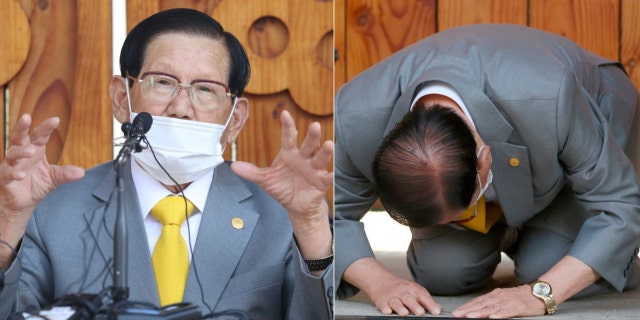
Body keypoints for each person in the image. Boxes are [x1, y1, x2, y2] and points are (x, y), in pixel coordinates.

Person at [0, 8, 334, 319]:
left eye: (205, 89)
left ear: (235, 119)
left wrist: (311, 225)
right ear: (121, 98)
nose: (181, 108)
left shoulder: (282, 214)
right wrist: (9, 220)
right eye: (162, 82)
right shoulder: (51, 212)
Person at [335, 24, 640, 318]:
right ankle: (517, 236)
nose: (461, 223)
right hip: (512, 144)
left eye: (464, 214)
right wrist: (380, 283)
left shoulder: (549, 95)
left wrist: (540, 293)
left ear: (483, 159)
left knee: (543, 267)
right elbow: (331, 216)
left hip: (596, 109)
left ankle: (552, 243)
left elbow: (619, 205)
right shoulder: (355, 119)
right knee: (442, 274)